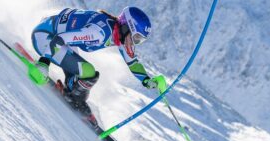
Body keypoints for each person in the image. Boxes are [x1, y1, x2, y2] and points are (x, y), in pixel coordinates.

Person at [30, 7, 167, 124]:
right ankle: (74, 98)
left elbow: (132, 63)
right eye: (136, 38)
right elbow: (59, 39)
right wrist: (43, 64)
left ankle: (72, 93)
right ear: (126, 27)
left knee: (81, 79)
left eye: (139, 41)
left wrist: (148, 81)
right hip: (45, 38)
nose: (134, 43)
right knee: (89, 73)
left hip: (57, 40)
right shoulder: (98, 33)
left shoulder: (119, 34)